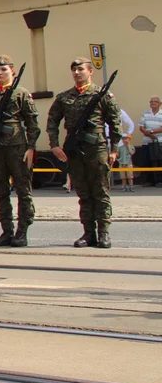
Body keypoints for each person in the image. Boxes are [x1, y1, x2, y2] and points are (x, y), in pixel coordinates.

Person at [47, 58, 121, 249]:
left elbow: (115, 124)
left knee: (101, 192)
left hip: (97, 149)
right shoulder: (64, 97)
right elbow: (52, 121)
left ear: (90, 71)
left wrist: (114, 150)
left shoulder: (102, 95)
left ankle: (104, 232)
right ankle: (89, 233)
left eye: (81, 69)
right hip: (74, 150)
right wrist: (54, 145)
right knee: (83, 193)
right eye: (74, 70)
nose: (77, 73)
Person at [0, 56, 40, 246]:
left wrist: (31, 147)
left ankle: (22, 230)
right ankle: (6, 230)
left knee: (23, 189)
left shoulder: (21, 94)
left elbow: (32, 124)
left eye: (4, 70)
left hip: (17, 147)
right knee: (1, 190)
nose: (0, 73)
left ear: (12, 71)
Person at [139, 96, 162, 187]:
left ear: (160, 103)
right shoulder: (145, 114)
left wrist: (152, 132)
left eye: (155, 101)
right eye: (151, 101)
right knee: (147, 161)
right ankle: (149, 181)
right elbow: (141, 126)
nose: (153, 103)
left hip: (159, 142)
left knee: (159, 161)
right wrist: (148, 134)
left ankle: (159, 181)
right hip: (147, 142)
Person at [117, 108, 136, 192]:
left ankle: (130, 186)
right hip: (103, 140)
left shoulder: (119, 111)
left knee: (128, 174)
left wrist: (127, 136)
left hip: (117, 139)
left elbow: (130, 124)